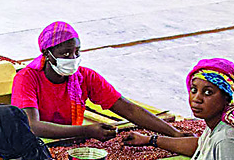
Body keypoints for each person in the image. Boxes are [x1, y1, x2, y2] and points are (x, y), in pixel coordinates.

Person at [12, 22, 179, 142]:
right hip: (32, 143)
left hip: (70, 141)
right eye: (66, 54)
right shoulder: (27, 78)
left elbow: (128, 109)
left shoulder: (85, 77)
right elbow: (33, 126)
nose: (73, 58)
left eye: (77, 52)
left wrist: (174, 133)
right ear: (48, 54)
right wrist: (87, 131)